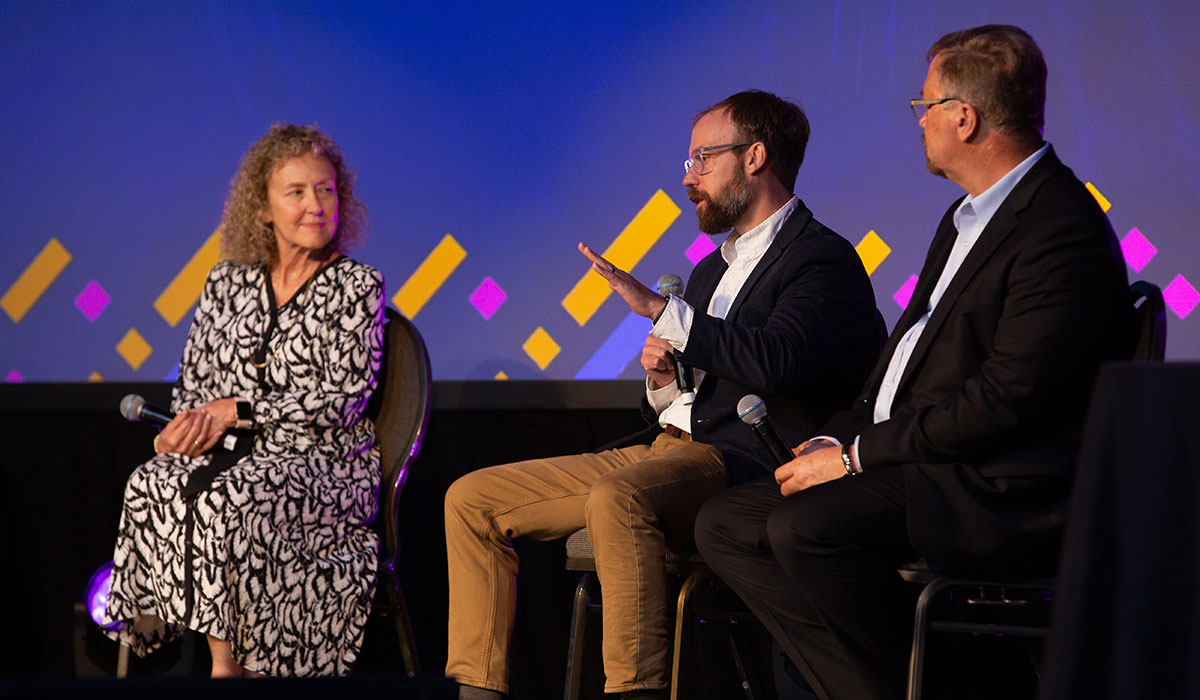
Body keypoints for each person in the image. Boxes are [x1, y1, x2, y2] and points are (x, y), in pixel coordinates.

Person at [694, 25, 1132, 700]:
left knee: (808, 529)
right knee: (725, 522)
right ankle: (891, 689)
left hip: (996, 483)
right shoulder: (964, 218)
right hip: (927, 460)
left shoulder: (1057, 227)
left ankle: (941, 687)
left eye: (924, 106)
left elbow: (1008, 401)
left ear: (965, 116)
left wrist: (856, 457)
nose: (919, 121)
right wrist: (836, 437)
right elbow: (904, 361)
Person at [444, 90, 882, 699]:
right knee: (472, 500)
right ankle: (477, 693)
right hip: (668, 452)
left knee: (616, 499)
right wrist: (663, 381)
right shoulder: (711, 269)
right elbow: (698, 388)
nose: (689, 177)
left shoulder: (820, 261)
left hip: (745, 464)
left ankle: (634, 691)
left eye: (703, 158)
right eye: (688, 160)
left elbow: (776, 362)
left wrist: (659, 311)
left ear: (755, 157)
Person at [102, 124, 386, 677]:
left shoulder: (359, 286)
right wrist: (178, 429)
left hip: (324, 464)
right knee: (151, 479)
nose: (315, 205)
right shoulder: (225, 283)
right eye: (296, 192)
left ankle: (227, 668)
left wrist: (242, 409)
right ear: (263, 208)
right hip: (233, 454)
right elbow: (195, 390)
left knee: (225, 502)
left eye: (326, 190)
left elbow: (342, 400)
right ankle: (183, 651)